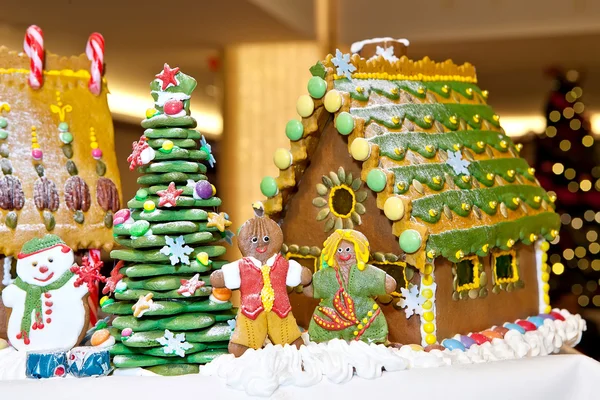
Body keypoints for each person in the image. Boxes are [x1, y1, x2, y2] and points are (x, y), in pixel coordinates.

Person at [210, 203, 312, 357]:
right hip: (251, 311)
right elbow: (226, 276)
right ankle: (242, 346)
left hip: (280, 310)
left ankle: (291, 342)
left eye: (266, 238)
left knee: (286, 331)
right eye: (254, 240)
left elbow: (296, 274)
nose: (261, 243)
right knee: (248, 332)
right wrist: (221, 277)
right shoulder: (242, 266)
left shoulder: (281, 264)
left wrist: (302, 275)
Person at [304, 229, 396, 343]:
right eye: (339, 250)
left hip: (364, 323)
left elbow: (390, 284)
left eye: (348, 249)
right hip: (331, 326)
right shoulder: (327, 275)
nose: (343, 253)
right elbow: (310, 290)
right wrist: (305, 280)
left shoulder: (365, 272)